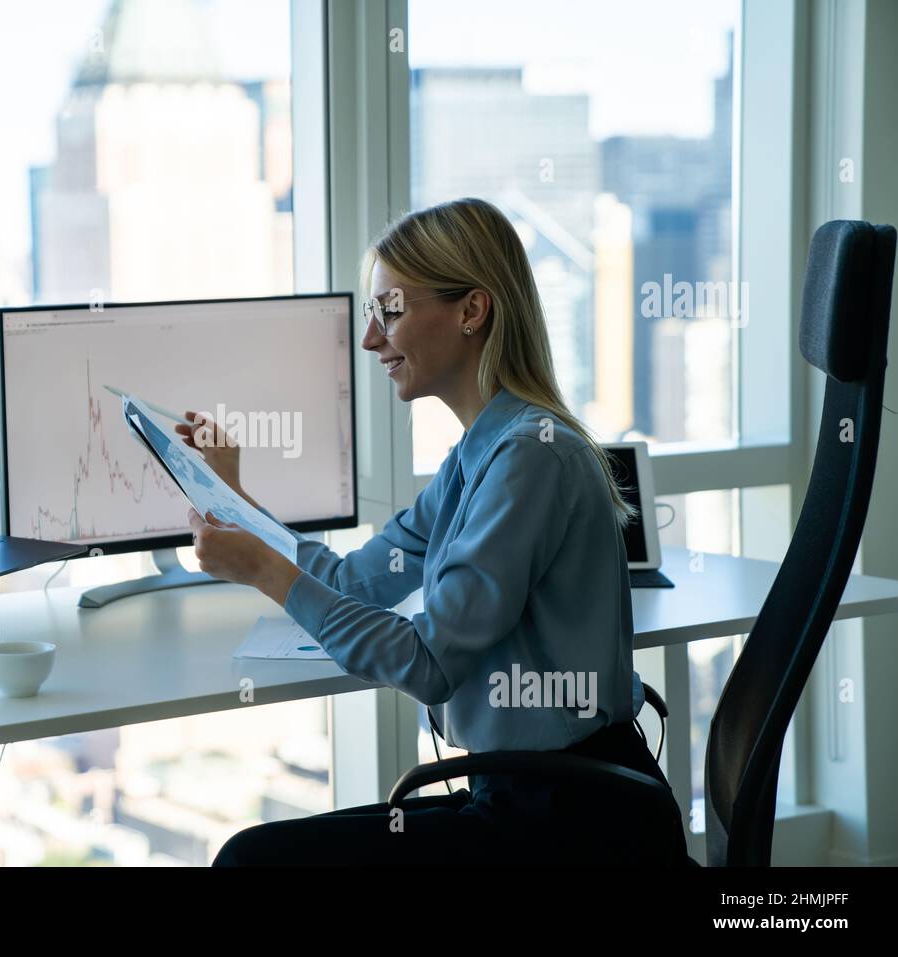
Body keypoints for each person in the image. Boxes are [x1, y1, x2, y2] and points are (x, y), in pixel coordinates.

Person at [177, 198, 689, 866]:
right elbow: (352, 581)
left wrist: (269, 574)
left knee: (253, 860)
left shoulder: (531, 456)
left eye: (389, 310)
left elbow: (430, 662)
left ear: (472, 311)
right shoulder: (480, 454)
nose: (369, 338)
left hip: (575, 820)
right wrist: (238, 500)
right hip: (524, 791)